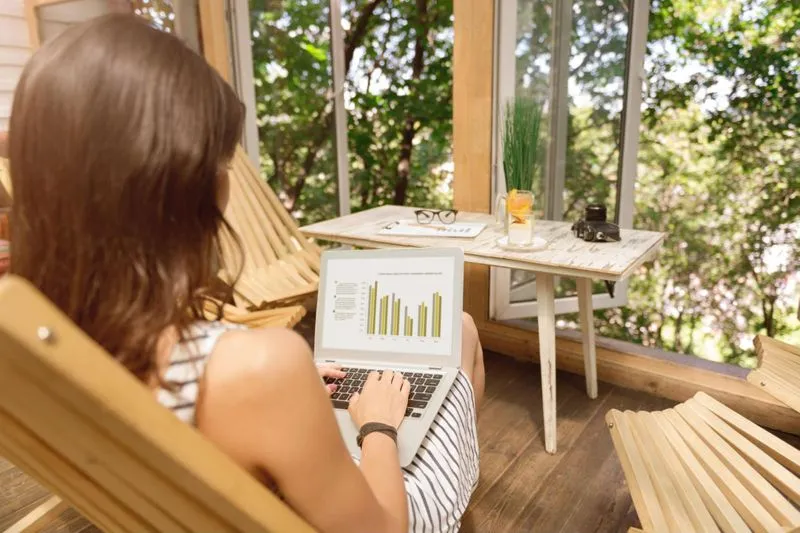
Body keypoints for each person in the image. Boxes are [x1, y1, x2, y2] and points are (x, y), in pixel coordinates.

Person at [8, 14, 485, 533]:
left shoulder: (37, 342)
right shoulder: (261, 370)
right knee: (458, 340)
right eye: (220, 164)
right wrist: (377, 425)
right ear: (184, 189)